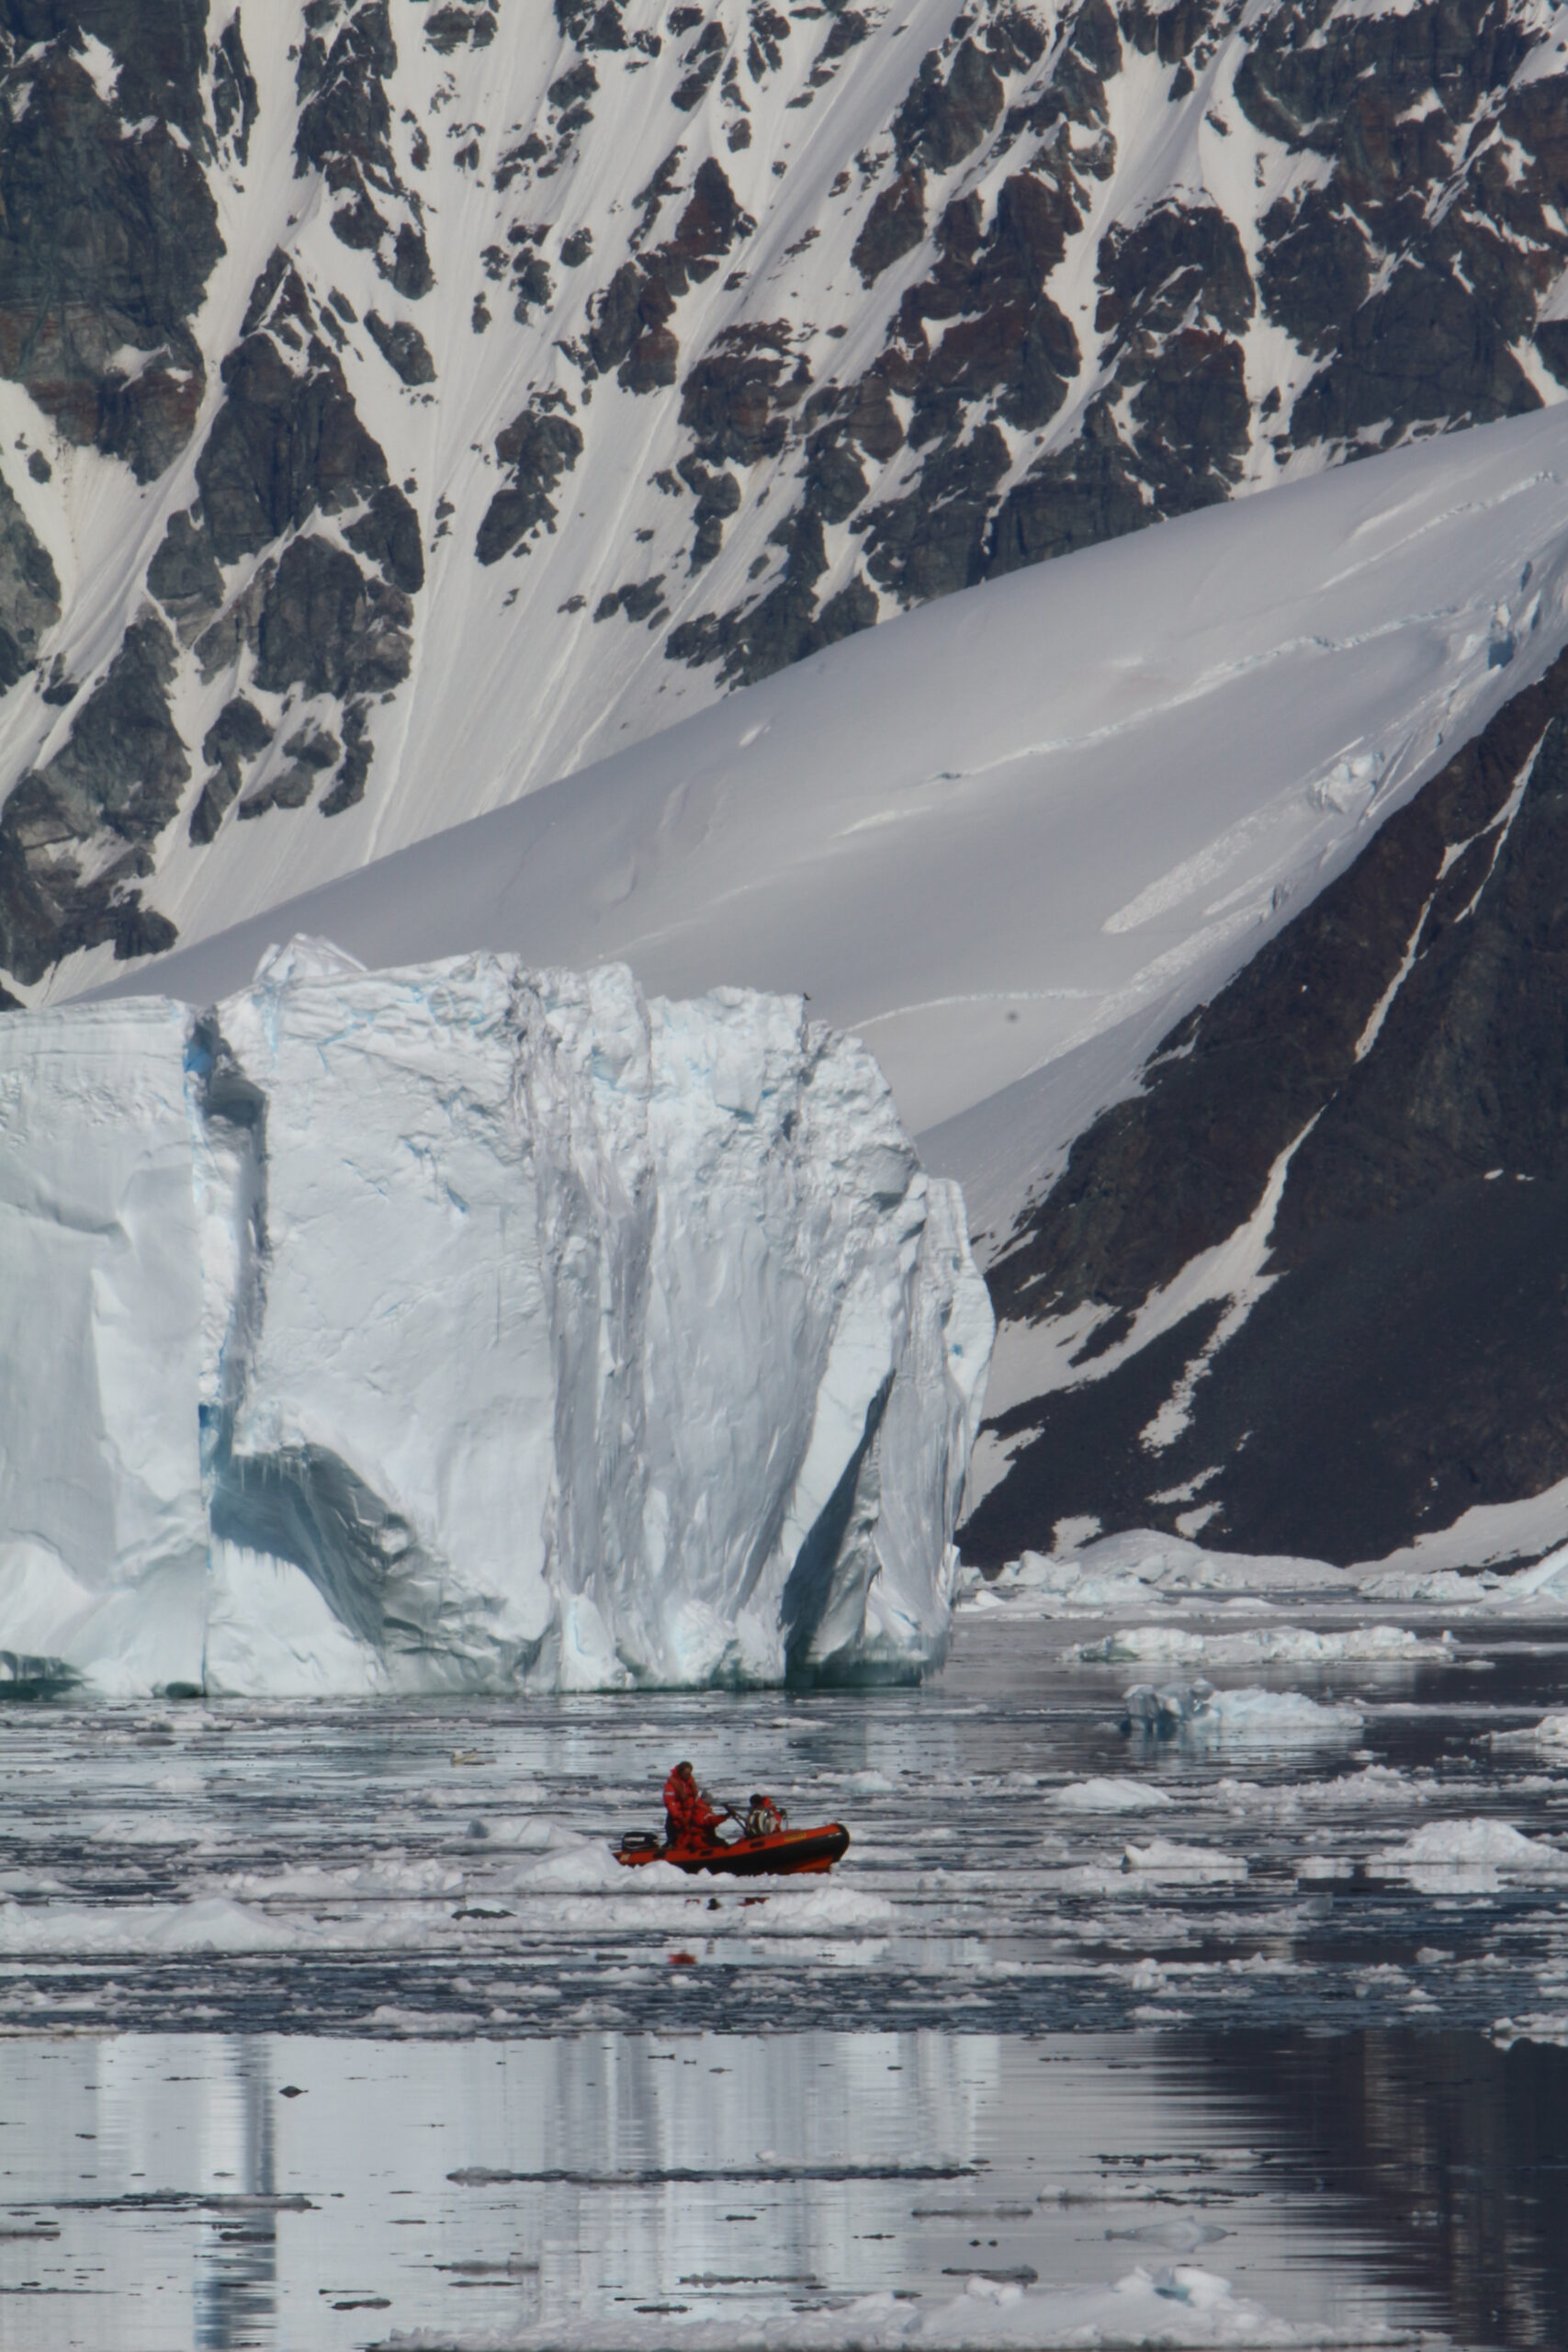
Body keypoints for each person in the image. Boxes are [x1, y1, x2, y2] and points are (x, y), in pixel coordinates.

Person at [663, 1760, 725, 1849]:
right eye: (686, 1773)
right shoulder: (671, 1785)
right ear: (680, 1772)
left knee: (687, 1838)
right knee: (676, 1840)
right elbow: (670, 1803)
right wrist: (679, 1817)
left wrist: (706, 1809)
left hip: (688, 1817)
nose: (688, 1776)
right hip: (676, 1819)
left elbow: (696, 1799)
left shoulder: (690, 1783)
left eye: (689, 1773)